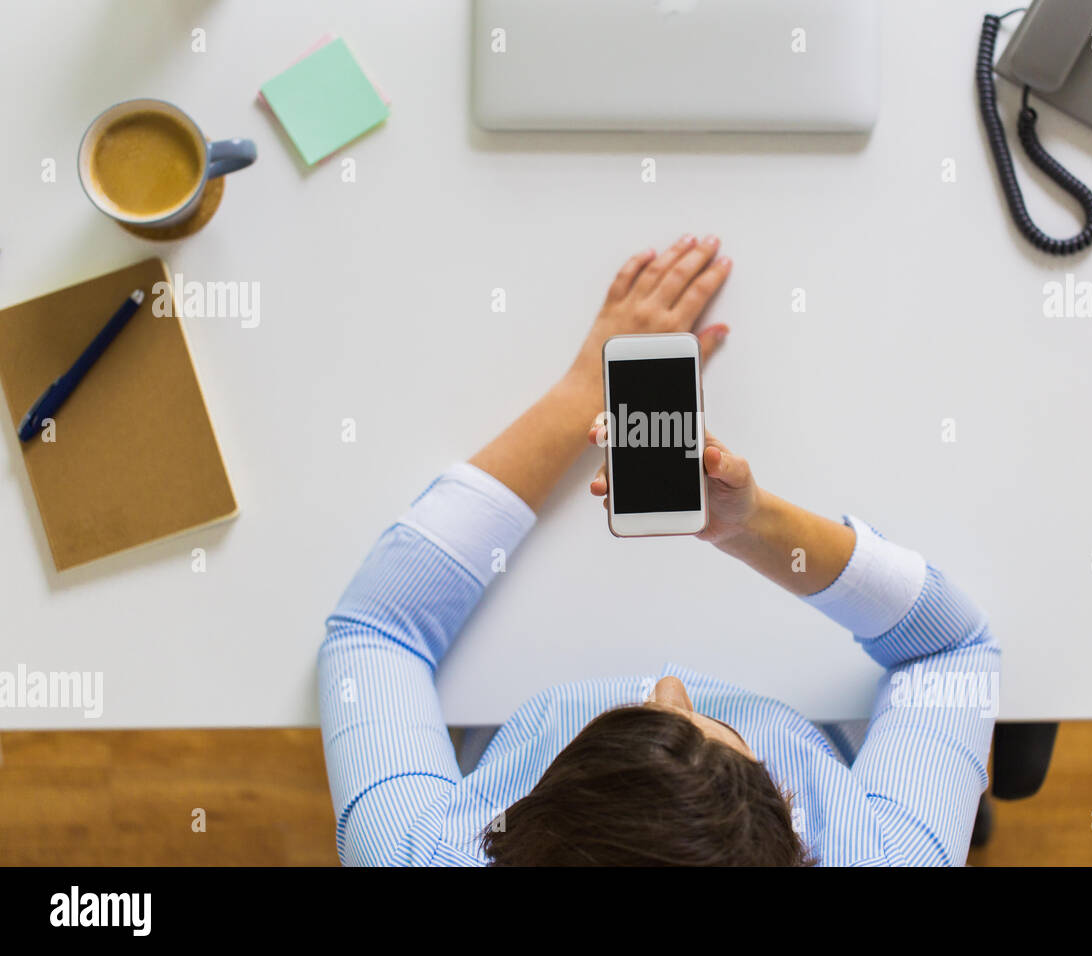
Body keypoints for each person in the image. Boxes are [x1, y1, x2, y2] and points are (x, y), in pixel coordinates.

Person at [318, 234, 1000, 866]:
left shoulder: (422, 853)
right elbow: (946, 651)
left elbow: (378, 631)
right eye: (710, 724)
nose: (669, 686)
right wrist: (755, 525)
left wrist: (583, 393)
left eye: (647, 710)